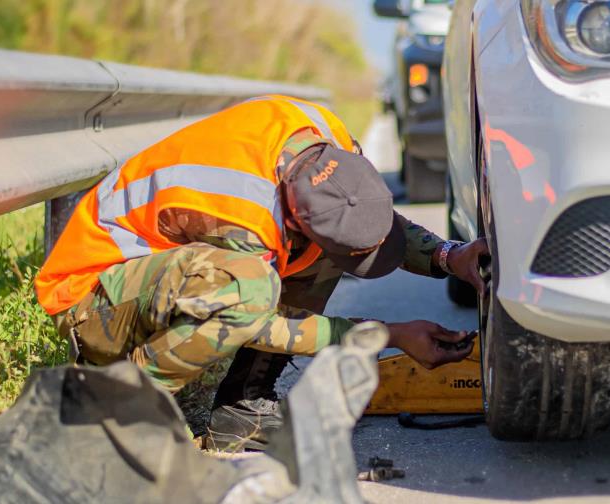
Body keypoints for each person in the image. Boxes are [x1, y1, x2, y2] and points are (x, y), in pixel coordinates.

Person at [35, 95, 488, 451]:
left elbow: (360, 212)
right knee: (248, 290)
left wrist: (451, 256)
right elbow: (260, 325)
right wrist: (387, 335)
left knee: (317, 254)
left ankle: (242, 411)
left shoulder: (328, 145)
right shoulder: (245, 217)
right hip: (95, 301)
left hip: (163, 281)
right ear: (293, 219)